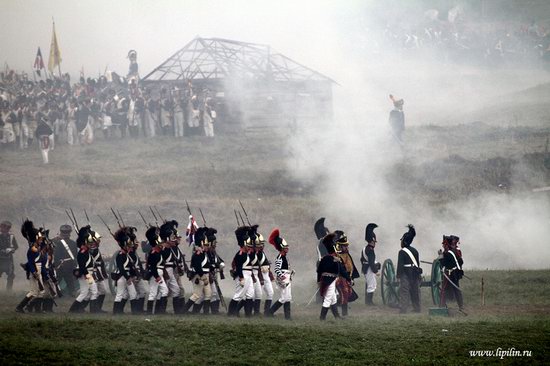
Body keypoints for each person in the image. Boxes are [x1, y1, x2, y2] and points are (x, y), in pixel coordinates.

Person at [317, 232, 351, 320]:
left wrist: (318, 281)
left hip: (325, 280)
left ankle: (337, 316)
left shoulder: (324, 259)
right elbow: (342, 270)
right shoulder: (335, 258)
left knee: (333, 299)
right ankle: (322, 318)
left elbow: (319, 271)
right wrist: (348, 278)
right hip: (331, 280)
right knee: (328, 299)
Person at [68, 226, 101, 313]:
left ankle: (75, 309)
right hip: (86, 275)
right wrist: (87, 275)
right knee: (92, 291)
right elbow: (82, 266)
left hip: (87, 274)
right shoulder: (82, 252)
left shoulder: (86, 251)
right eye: (89, 243)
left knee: (87, 292)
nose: (91, 244)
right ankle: (92, 310)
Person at [181, 227, 212, 314]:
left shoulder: (204, 254)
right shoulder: (198, 254)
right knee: (196, 295)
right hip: (199, 276)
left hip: (205, 276)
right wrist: (203, 277)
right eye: (206, 245)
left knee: (208, 294)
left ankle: (206, 313)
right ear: (202, 244)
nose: (207, 247)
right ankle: (183, 311)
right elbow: (198, 267)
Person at [15, 220, 44, 313]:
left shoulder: (37, 248)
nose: (41, 240)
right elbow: (31, 263)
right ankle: (20, 307)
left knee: (40, 292)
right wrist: (34, 272)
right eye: (39, 238)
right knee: (34, 292)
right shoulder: (32, 249)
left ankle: (38, 309)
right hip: (34, 271)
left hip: (38, 269)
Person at [227, 226, 254, 317]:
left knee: (250, 295)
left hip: (248, 276)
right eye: (248, 245)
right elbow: (238, 267)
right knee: (238, 295)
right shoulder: (240, 255)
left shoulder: (247, 254)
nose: (250, 247)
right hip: (243, 276)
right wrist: (241, 278)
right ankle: (230, 313)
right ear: (244, 244)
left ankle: (248, 314)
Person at [266, 228, 292, 320]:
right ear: (282, 247)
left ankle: (287, 317)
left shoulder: (285, 257)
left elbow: (285, 268)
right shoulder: (280, 257)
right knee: (283, 298)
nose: (287, 248)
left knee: (288, 297)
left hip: (287, 278)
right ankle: (269, 312)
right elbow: (277, 269)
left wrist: (290, 273)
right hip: (283, 279)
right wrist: (282, 277)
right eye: (286, 247)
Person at [160, 220, 185, 314]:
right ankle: (160, 312)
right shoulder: (163, 249)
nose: (175, 240)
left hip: (171, 271)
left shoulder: (171, 249)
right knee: (163, 292)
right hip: (165, 271)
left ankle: (177, 311)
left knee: (176, 290)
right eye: (172, 238)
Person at [396, 224, 421, 314]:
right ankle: (417, 308)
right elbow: (417, 264)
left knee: (404, 291)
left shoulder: (402, 252)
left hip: (405, 273)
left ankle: (403, 309)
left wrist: (398, 275)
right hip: (415, 273)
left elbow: (400, 265)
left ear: (405, 241)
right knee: (415, 291)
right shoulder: (415, 251)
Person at [334, 231, 360, 317]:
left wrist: (351, 277)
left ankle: (341, 308)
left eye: (346, 245)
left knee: (348, 293)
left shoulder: (347, 254)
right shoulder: (337, 256)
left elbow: (351, 266)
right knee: (344, 294)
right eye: (344, 245)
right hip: (341, 277)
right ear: (340, 246)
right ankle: (344, 313)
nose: (346, 247)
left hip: (348, 277)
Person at [145, 226, 169, 315]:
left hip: (159, 274)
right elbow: (152, 267)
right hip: (155, 275)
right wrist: (157, 277)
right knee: (153, 293)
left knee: (164, 291)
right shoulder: (153, 253)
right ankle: (149, 312)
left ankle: (160, 311)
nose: (162, 244)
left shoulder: (159, 252)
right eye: (161, 243)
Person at [439, 235, 465, 313]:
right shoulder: (454, 251)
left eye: (444, 244)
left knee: (443, 290)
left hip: (449, 274)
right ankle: (461, 306)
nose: (443, 246)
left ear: (447, 245)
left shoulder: (447, 254)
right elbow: (461, 261)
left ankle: (441, 307)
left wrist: (440, 256)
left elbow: (442, 264)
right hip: (455, 273)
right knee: (457, 290)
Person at [52, 224, 78, 296]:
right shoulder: (73, 243)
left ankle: (54, 293)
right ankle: (72, 294)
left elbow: (56, 256)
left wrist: (56, 266)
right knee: (70, 282)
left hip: (61, 266)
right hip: (70, 266)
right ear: (69, 233)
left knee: (57, 281)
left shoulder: (58, 243)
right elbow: (75, 255)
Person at [361, 223, 381, 305]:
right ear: (372, 241)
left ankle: (368, 301)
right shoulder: (370, 250)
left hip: (366, 268)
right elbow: (371, 262)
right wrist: (376, 271)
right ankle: (369, 302)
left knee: (370, 284)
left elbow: (363, 259)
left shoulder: (365, 248)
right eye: (374, 241)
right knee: (372, 285)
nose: (375, 243)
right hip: (369, 269)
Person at [0, 220, 18, 292]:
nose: (5, 229)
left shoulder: (11, 237)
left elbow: (16, 246)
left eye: (7, 228)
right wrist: (2, 251)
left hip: (9, 259)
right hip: (0, 259)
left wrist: (11, 249)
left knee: (11, 275)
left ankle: (9, 291)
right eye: (4, 227)